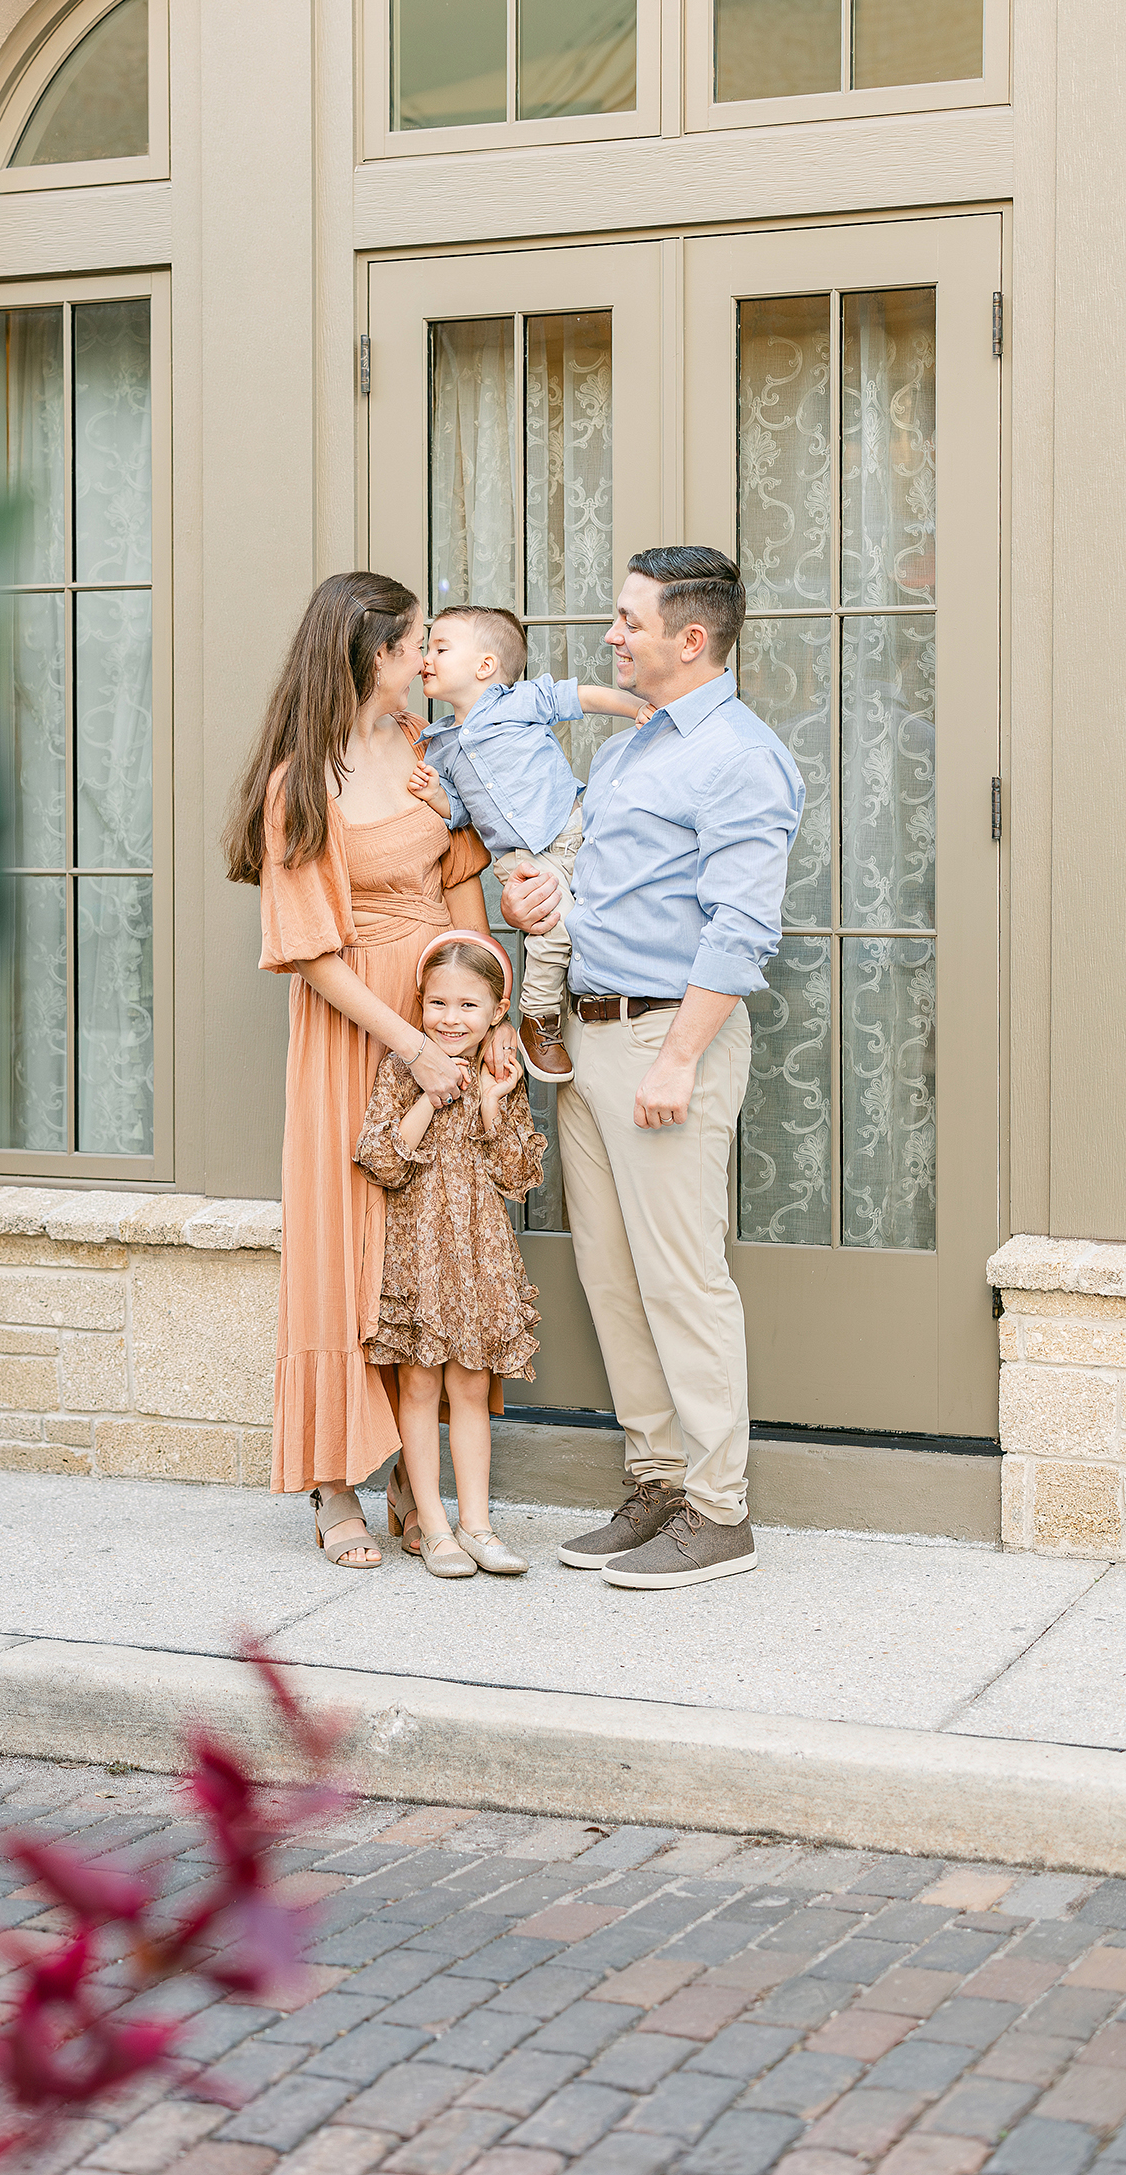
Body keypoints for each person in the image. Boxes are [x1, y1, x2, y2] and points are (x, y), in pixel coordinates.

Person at [500, 546, 804, 1591]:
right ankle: (659, 1481)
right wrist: (542, 902)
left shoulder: (738, 756)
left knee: (680, 1282)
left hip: (665, 1040)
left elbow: (739, 926)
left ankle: (719, 1513)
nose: (608, 635)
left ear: (690, 636)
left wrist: (675, 1059)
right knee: (612, 1280)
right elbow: (596, 875)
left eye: (626, 620)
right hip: (589, 1040)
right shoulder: (632, 745)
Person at [223, 572, 510, 1569]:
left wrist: (493, 1020)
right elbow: (308, 950)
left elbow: (461, 880)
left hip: (448, 1010)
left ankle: (414, 1472)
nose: (426, 659)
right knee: (349, 1246)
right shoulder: (298, 782)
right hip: (361, 1032)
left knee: (430, 1242)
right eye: (413, 644)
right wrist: (414, 1046)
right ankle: (332, 1479)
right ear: (369, 656)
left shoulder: (429, 750)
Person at [354, 932, 545, 1579]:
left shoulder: (499, 1076)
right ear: (420, 1004)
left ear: (497, 1012)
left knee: (469, 1384)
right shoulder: (400, 1068)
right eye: (437, 1003)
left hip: (477, 1254)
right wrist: (428, 1098)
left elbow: (518, 1173)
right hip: (415, 1253)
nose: (449, 1018)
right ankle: (430, 1525)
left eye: (468, 1006)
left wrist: (491, 1104)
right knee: (418, 1384)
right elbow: (379, 1161)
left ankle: (477, 1524)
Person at [408, 603, 650, 1084]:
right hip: (519, 858)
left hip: (574, 827)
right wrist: (438, 795)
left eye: (439, 647)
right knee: (552, 928)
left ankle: (629, 1008)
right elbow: (461, 812)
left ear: (484, 666)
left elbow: (578, 698)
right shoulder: (438, 744)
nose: (424, 659)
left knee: (608, 909)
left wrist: (637, 708)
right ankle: (539, 1017)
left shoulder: (516, 702)